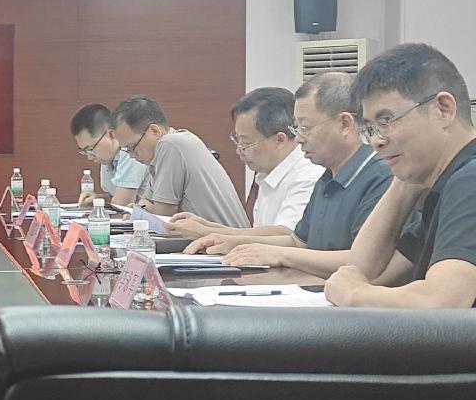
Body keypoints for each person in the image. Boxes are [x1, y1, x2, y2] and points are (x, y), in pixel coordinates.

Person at [184, 73, 393, 277]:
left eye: (305, 128)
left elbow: (364, 261)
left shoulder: (379, 176)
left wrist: (279, 254)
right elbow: (298, 242)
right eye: (297, 128)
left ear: (345, 124)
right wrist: (234, 242)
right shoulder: (327, 176)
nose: (299, 139)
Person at [325, 43, 476, 308]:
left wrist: (353, 295)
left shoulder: (469, 179)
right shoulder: (441, 184)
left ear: (443, 109)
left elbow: (443, 302)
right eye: (370, 129)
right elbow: (364, 269)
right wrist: (404, 182)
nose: (376, 141)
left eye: (385, 121)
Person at [167, 88, 322, 237]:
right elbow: (259, 234)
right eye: (237, 140)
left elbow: (287, 235)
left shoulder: (308, 176)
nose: (239, 150)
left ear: (280, 140)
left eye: (246, 143)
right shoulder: (266, 173)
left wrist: (207, 231)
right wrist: (206, 225)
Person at [110, 96, 249, 227]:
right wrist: (142, 209)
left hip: (226, 241)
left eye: (132, 147)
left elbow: (164, 219)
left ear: (154, 131)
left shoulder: (170, 144)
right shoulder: (160, 154)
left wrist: (141, 211)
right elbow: (146, 202)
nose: (132, 155)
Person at [70, 103, 147, 206]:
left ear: (111, 135)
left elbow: (122, 204)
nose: (89, 157)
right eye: (84, 151)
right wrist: (98, 199)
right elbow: (114, 197)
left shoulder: (130, 151)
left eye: (90, 149)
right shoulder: (108, 156)